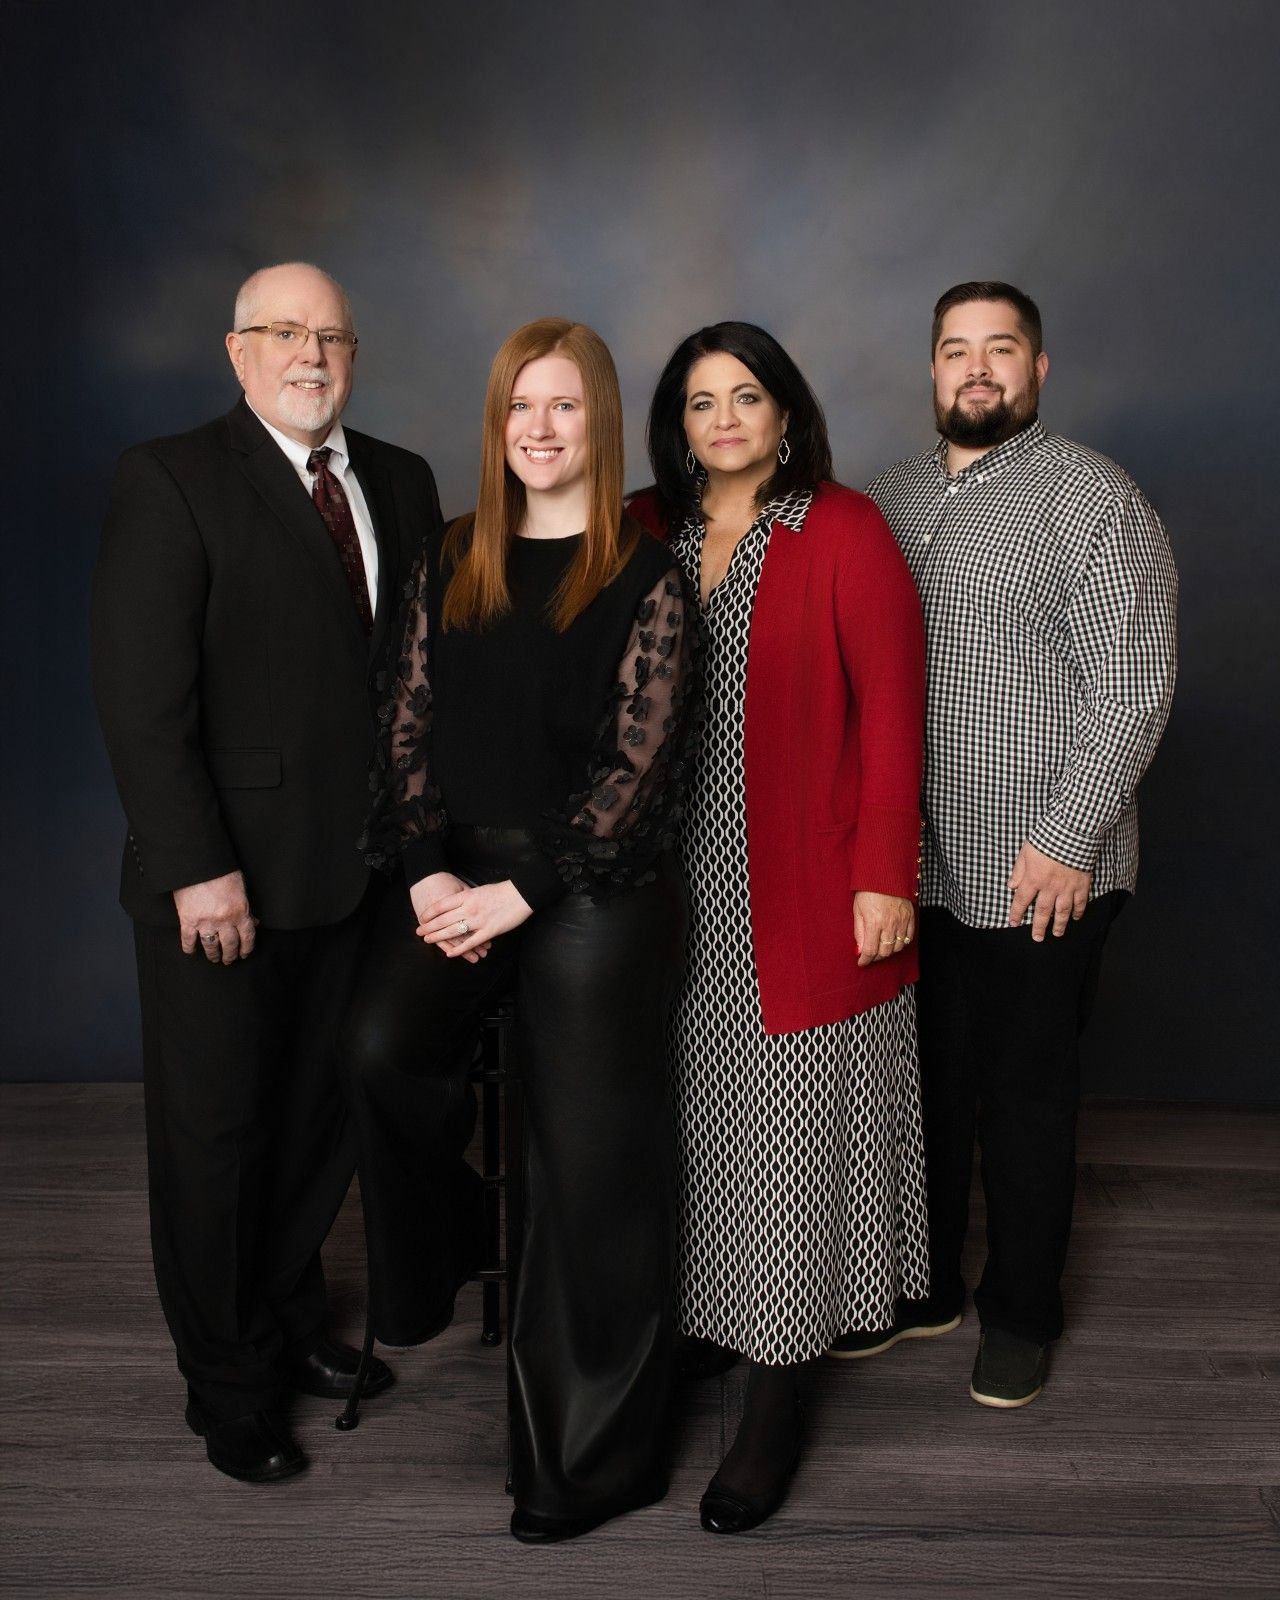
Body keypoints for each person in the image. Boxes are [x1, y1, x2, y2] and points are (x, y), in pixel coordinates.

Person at [343, 317, 700, 1544]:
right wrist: (431, 875)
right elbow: (404, 718)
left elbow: (636, 770)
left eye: (562, 409)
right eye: (517, 410)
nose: (537, 431)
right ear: (495, 426)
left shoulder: (646, 576)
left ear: (597, 425)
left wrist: (525, 891)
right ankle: (438, 1263)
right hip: (458, 874)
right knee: (380, 1048)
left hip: (590, 886)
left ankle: (581, 1463)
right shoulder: (453, 554)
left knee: (585, 1165)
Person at [90, 263, 441, 1481]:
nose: (312, 353)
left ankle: (290, 1327)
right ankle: (226, 1383)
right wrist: (196, 869)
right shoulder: (171, 478)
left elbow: (408, 686)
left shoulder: (398, 478)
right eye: (286, 333)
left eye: (333, 335)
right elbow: (141, 703)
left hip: (361, 876)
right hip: (223, 884)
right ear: (236, 352)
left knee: (313, 1124)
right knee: (216, 1138)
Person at [629, 321, 929, 1534]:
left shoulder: (844, 527)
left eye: (745, 396)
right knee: (693, 1121)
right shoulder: (648, 526)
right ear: (678, 424)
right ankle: (711, 1323)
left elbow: (896, 711)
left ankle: (774, 1395)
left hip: (806, 879)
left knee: (790, 1135)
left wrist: (882, 875)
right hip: (667, 880)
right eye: (700, 402)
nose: (724, 420)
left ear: (785, 411)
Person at [858, 280, 1178, 1408]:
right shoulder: (885, 498)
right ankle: (925, 1285)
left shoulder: (1091, 498)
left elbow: (1132, 686)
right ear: (931, 369)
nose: (976, 369)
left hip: (1045, 860)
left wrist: (1064, 835)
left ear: (1038, 370)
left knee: (1026, 1089)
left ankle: (1022, 1310)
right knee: (926, 1081)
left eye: (1001, 349)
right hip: (916, 862)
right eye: (955, 350)